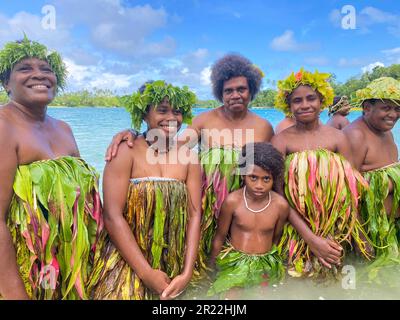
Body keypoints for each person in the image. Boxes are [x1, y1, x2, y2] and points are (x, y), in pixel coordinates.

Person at [104, 54, 274, 271]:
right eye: (228, 90)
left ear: (252, 90)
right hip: (208, 208)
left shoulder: (264, 127)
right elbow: (171, 143)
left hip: (244, 206)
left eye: (241, 89)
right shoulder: (205, 120)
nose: (235, 95)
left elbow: (270, 169)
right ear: (219, 93)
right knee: (207, 263)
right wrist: (133, 132)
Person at [0, 36, 103, 300]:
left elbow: (88, 204)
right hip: (26, 271)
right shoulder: (4, 126)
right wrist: (14, 293)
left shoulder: (64, 129)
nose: (39, 75)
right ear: (5, 83)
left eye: (46, 70)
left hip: (70, 272)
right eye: (25, 68)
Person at [87, 80, 202, 300]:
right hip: (128, 257)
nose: (171, 118)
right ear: (143, 114)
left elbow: (195, 214)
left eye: (177, 112)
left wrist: (187, 272)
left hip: (173, 257)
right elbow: (112, 216)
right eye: (162, 110)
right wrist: (146, 273)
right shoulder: (124, 151)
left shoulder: (189, 157)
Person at [271, 68, 372, 278]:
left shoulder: (338, 138)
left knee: (342, 277)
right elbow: (278, 195)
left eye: (311, 98)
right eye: (297, 101)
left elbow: (352, 188)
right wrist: (310, 238)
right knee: (298, 277)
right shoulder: (281, 141)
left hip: (335, 225)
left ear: (322, 101)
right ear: (289, 106)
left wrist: (360, 234)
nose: (305, 105)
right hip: (296, 228)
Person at [207, 142, 288, 298]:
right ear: (243, 175)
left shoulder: (280, 206)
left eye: (266, 179)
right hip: (234, 262)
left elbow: (276, 239)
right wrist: (212, 269)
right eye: (253, 177)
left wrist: (272, 266)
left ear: (274, 178)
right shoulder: (233, 202)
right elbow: (220, 237)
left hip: (264, 263)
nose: (259, 185)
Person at [343, 77, 400, 264]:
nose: (393, 114)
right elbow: (346, 192)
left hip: (389, 228)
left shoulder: (388, 132)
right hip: (370, 231)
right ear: (367, 107)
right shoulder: (356, 135)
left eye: (397, 108)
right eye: (386, 108)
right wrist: (361, 238)